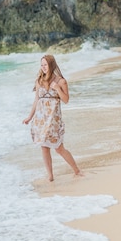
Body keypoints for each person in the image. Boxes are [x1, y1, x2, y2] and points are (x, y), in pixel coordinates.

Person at [23, 54, 83, 182]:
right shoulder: (40, 81)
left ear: (51, 65)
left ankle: (76, 170)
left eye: (45, 64)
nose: (43, 67)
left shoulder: (61, 81)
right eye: (42, 65)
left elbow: (66, 100)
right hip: (41, 118)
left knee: (59, 148)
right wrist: (29, 117)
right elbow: (36, 101)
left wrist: (57, 88)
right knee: (44, 147)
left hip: (53, 119)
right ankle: (50, 176)